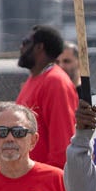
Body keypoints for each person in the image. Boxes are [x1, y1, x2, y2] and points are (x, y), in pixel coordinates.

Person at [17, 24, 79, 169]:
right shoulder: (34, 79)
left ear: (39, 47)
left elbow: (63, 144)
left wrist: (52, 184)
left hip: (45, 182)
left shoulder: (56, 82)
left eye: (26, 42)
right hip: (28, 178)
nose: (21, 47)